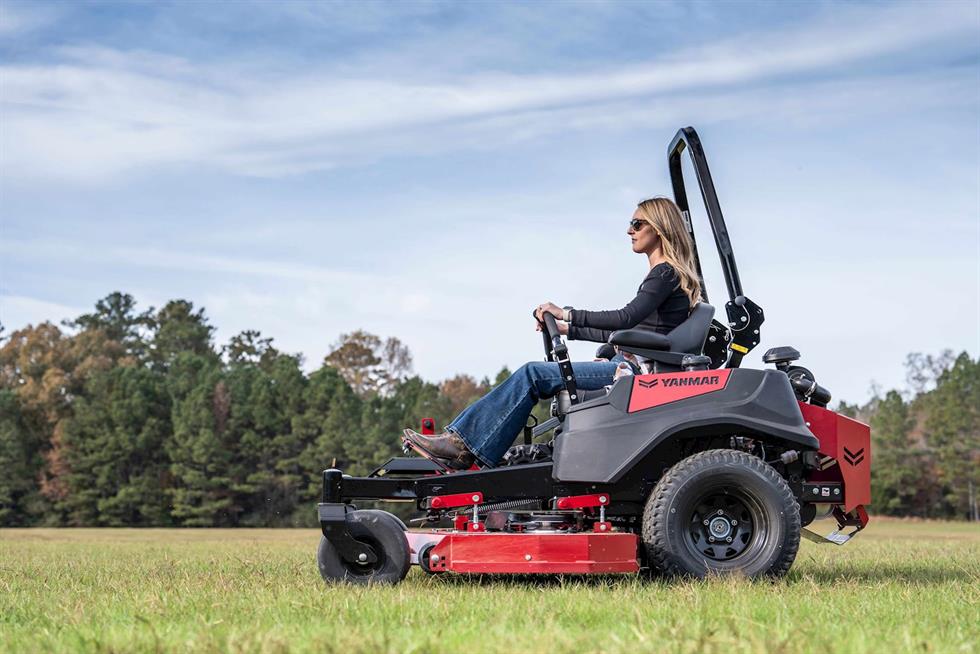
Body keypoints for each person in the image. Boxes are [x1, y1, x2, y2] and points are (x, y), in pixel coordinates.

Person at [403, 197, 702, 469]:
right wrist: (566, 328)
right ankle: (461, 442)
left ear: (659, 228)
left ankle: (461, 446)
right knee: (537, 373)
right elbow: (623, 331)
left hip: (636, 374)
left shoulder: (664, 273)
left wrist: (566, 313)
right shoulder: (664, 276)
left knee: (533, 374)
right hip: (631, 366)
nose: (629, 231)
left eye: (637, 224)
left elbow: (625, 318)